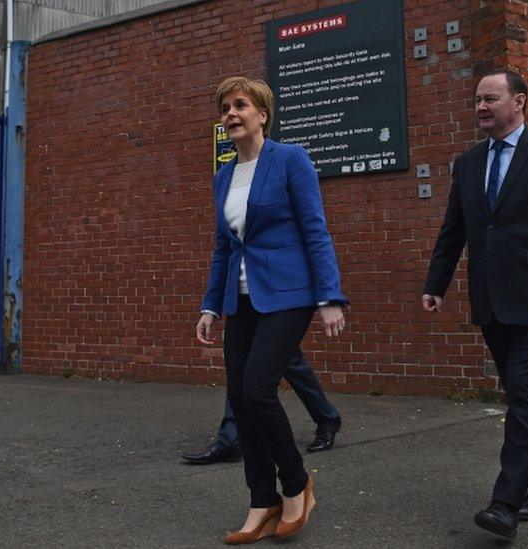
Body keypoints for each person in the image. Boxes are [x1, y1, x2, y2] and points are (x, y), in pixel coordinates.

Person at [422, 70, 528, 542]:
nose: (481, 106)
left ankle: (505, 502)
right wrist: (437, 282)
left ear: (519, 102)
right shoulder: (469, 162)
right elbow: (454, 229)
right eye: (477, 99)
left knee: (526, 401)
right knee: (525, 400)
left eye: (490, 99)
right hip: (492, 302)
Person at [196, 76, 348, 544]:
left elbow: (314, 229)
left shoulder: (289, 160)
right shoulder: (225, 175)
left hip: (288, 294)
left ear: (263, 114)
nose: (231, 114)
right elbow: (224, 247)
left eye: (240, 105)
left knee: (259, 388)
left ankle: (297, 484)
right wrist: (209, 306)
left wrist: (329, 297)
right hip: (239, 299)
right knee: (240, 398)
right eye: (225, 108)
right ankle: (261, 499)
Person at [180, 352, 342, 464]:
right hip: (247, 308)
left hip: (278, 310)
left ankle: (327, 418)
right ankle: (230, 440)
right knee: (242, 363)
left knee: (290, 360)